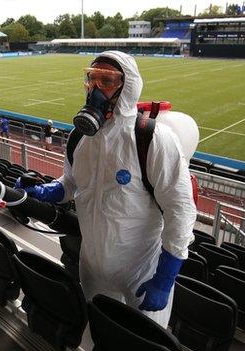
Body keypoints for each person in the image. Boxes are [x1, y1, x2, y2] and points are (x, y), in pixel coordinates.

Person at [16, 51, 196, 327]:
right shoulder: (79, 138)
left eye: (107, 81)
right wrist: (41, 192)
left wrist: (165, 277)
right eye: (92, 79)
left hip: (142, 271)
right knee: (102, 331)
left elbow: (180, 210)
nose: (96, 89)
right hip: (92, 265)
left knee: (144, 341)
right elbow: (71, 184)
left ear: (128, 87)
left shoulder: (151, 138)